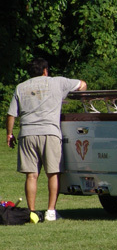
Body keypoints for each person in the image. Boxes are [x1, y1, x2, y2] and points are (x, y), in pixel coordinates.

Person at [5, 58, 87, 221]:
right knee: (53, 173)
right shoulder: (58, 82)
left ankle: (32, 212)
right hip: (50, 132)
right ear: (45, 70)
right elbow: (82, 84)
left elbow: (11, 114)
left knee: (31, 175)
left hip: (27, 133)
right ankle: (51, 211)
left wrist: (9, 134)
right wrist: (78, 96)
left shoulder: (20, 87)